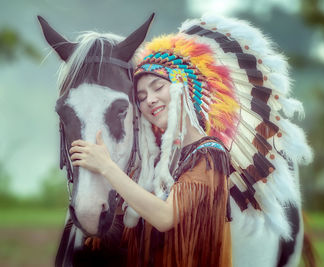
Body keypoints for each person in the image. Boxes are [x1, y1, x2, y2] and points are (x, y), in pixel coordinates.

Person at [69, 30, 237, 267]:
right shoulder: (158, 164)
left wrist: (107, 167)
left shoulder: (210, 154)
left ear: (183, 87)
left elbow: (165, 217)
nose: (150, 99)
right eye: (141, 96)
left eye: (158, 87)